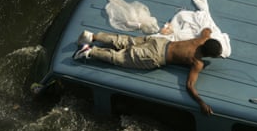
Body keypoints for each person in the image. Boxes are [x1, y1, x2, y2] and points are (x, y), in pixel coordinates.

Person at [73, 29, 222, 115]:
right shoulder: (197, 63)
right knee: (121, 58)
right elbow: (190, 85)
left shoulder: (202, 39)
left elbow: (207, 30)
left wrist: (209, 33)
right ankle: (90, 51)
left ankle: (92, 36)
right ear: (210, 55)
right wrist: (201, 102)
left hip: (159, 42)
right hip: (155, 56)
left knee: (126, 40)